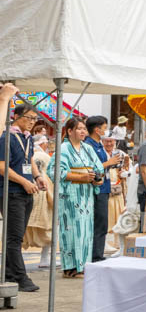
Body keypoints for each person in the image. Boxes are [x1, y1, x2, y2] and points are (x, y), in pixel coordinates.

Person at [1, 94, 45, 291]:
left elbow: (30, 160)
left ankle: (9, 272)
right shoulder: (6, 137)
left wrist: (37, 177)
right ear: (16, 116)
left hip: (27, 191)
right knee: (14, 237)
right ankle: (20, 277)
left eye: (35, 119)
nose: (32, 122)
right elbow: (2, 167)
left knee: (17, 235)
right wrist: (24, 182)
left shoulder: (27, 139)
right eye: (29, 118)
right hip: (11, 192)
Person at [50, 116, 104, 278]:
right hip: (70, 194)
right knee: (71, 230)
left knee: (86, 230)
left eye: (84, 129)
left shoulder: (87, 148)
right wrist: (80, 177)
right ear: (70, 131)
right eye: (79, 128)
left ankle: (83, 265)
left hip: (86, 194)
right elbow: (54, 171)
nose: (83, 132)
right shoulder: (64, 148)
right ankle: (71, 267)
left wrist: (96, 179)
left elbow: (98, 168)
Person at [84, 115, 123, 263]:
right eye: (104, 128)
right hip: (96, 189)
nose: (106, 131)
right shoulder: (89, 146)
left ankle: (97, 253)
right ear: (97, 129)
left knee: (102, 223)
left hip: (104, 187)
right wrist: (109, 162)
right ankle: (95, 255)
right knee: (99, 223)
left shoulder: (99, 145)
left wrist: (113, 163)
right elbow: (91, 168)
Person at [24, 134, 56, 271]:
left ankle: (16, 258)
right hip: (44, 191)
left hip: (30, 189)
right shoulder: (44, 157)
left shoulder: (30, 156)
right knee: (48, 226)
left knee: (24, 228)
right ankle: (44, 257)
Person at [103, 133, 129, 251]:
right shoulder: (100, 153)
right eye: (106, 141)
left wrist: (123, 172)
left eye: (111, 141)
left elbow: (128, 168)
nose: (109, 144)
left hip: (118, 188)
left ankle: (119, 243)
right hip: (105, 188)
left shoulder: (121, 154)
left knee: (119, 214)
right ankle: (106, 242)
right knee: (106, 215)